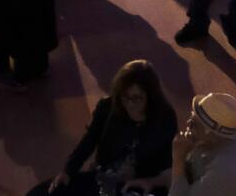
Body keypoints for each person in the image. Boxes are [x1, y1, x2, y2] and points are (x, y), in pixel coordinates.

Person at [30, 59, 177, 196]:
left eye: (137, 98)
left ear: (151, 96)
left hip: (140, 184)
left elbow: (172, 166)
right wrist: (68, 170)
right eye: (124, 97)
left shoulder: (165, 118)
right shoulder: (108, 106)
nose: (130, 104)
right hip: (105, 177)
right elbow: (90, 139)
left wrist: (150, 182)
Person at [173, 92, 236, 194]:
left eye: (194, 125)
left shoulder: (225, 169)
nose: (188, 124)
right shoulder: (217, 143)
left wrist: (178, 158)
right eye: (191, 117)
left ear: (212, 135)